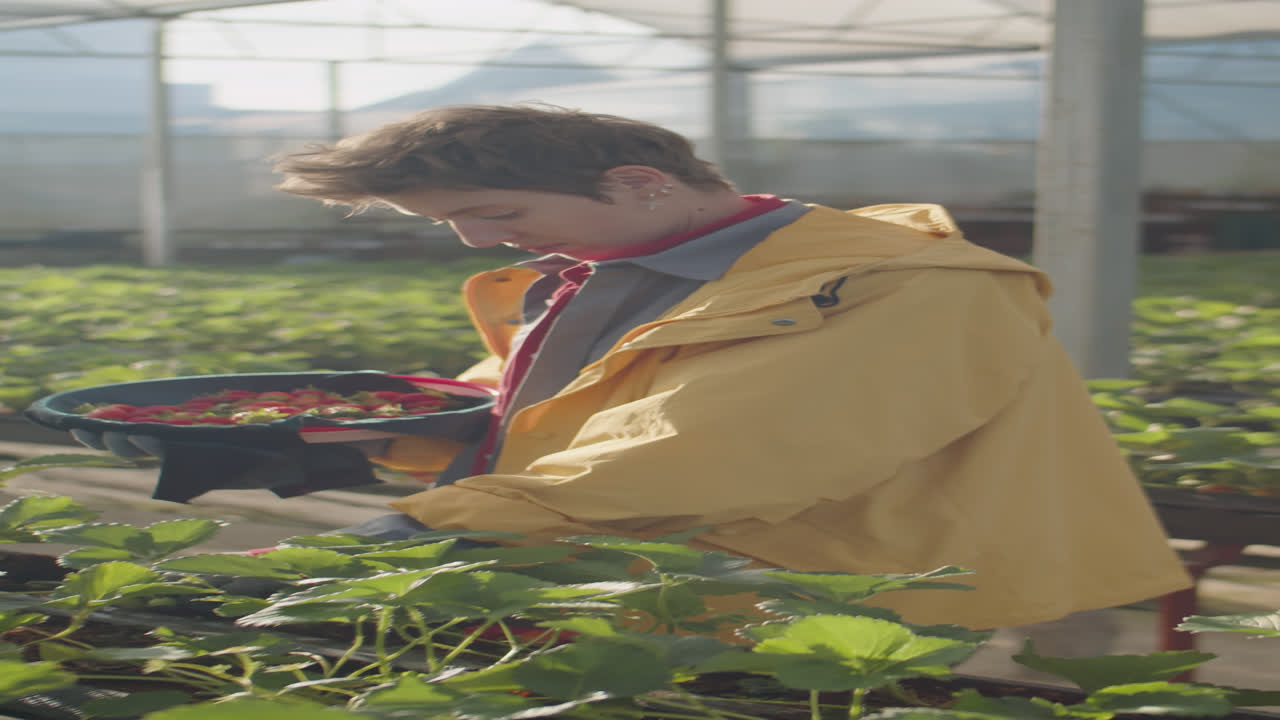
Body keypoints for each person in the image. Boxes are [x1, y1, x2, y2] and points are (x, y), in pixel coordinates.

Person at [141, 104, 1202, 631]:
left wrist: (427, 524)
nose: (473, 243)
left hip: (953, 608)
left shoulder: (910, 288)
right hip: (739, 581)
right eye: (449, 223)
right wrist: (360, 443)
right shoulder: (613, 261)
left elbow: (713, 447)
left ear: (641, 183)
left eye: (491, 213)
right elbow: (573, 404)